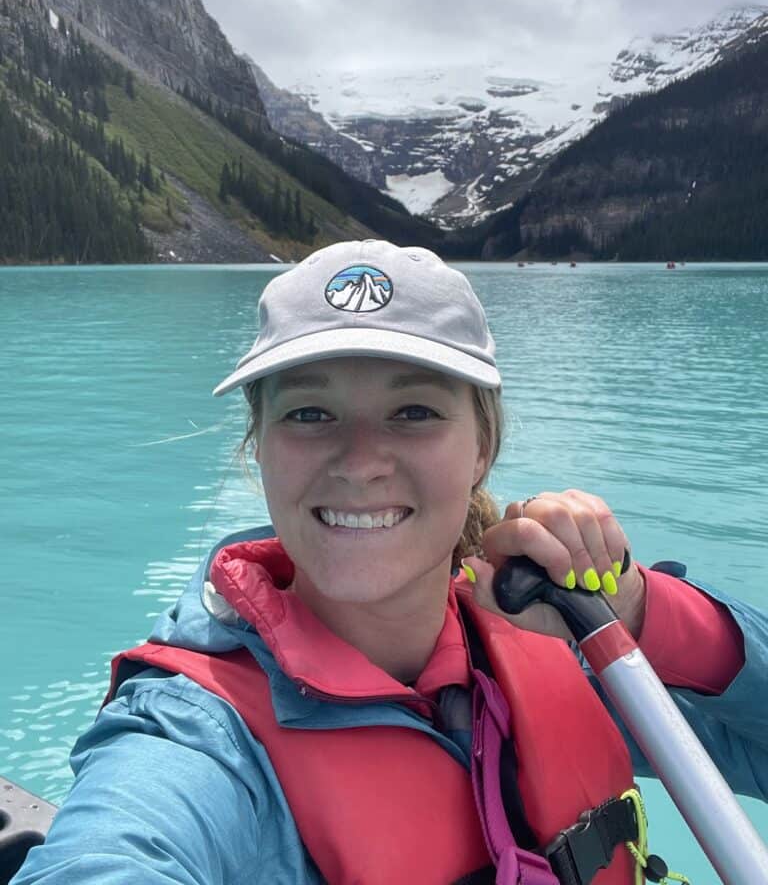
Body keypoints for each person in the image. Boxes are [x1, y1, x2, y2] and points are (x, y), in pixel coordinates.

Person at [11, 239, 768, 885]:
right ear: (259, 449)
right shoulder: (193, 735)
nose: (361, 460)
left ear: (483, 448)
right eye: (310, 413)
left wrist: (637, 613)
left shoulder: (550, 645)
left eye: (414, 413)